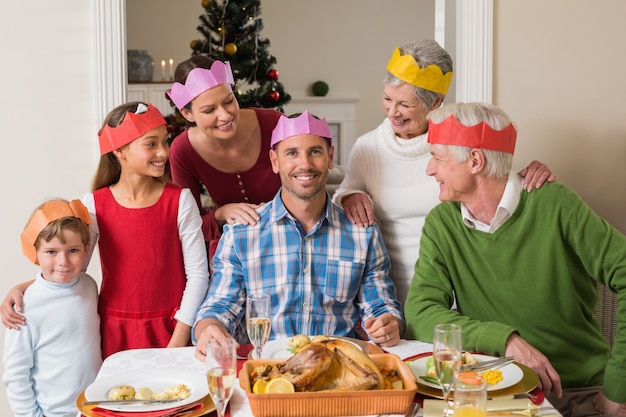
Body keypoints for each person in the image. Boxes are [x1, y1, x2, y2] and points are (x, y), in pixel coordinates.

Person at [404, 102, 626, 417]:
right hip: (490, 395)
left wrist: (619, 387)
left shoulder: (555, 204)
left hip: (577, 393)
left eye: (437, 157)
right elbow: (419, 312)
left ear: (475, 160)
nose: (430, 169)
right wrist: (505, 340)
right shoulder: (442, 224)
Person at [333, 39, 554, 307]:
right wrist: (350, 196)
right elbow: (342, 193)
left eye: (404, 104)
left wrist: (524, 178)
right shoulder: (368, 147)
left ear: (435, 102)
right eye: (387, 99)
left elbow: (490, 187)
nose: (393, 112)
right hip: (390, 293)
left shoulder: (459, 143)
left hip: (460, 292)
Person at [2, 102, 210, 359]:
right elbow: (75, 267)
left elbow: (198, 276)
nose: (163, 152)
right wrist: (24, 287)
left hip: (173, 328)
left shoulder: (180, 200)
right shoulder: (94, 205)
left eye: (164, 142)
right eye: (151, 144)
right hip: (115, 332)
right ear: (120, 150)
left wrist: (177, 341)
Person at [193, 111, 405, 360]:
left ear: (330, 158)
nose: (304, 164)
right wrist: (210, 329)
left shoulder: (362, 232)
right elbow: (218, 308)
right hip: (266, 371)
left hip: (339, 368)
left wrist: (390, 325)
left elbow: (382, 307)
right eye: (291, 153)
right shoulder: (241, 234)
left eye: (315, 151)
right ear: (275, 161)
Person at [166, 55, 283, 259]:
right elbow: (188, 227)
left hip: (287, 241)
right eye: (209, 110)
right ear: (187, 114)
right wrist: (220, 215)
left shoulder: (274, 123)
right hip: (231, 253)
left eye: (229, 101)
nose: (225, 115)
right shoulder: (182, 150)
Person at [3, 199, 101, 417]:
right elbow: (16, 374)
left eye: (73, 250)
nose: (63, 261)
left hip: (94, 406)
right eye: (51, 252)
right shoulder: (24, 307)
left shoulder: (89, 286)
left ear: (86, 249)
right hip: (54, 413)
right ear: (34, 252)